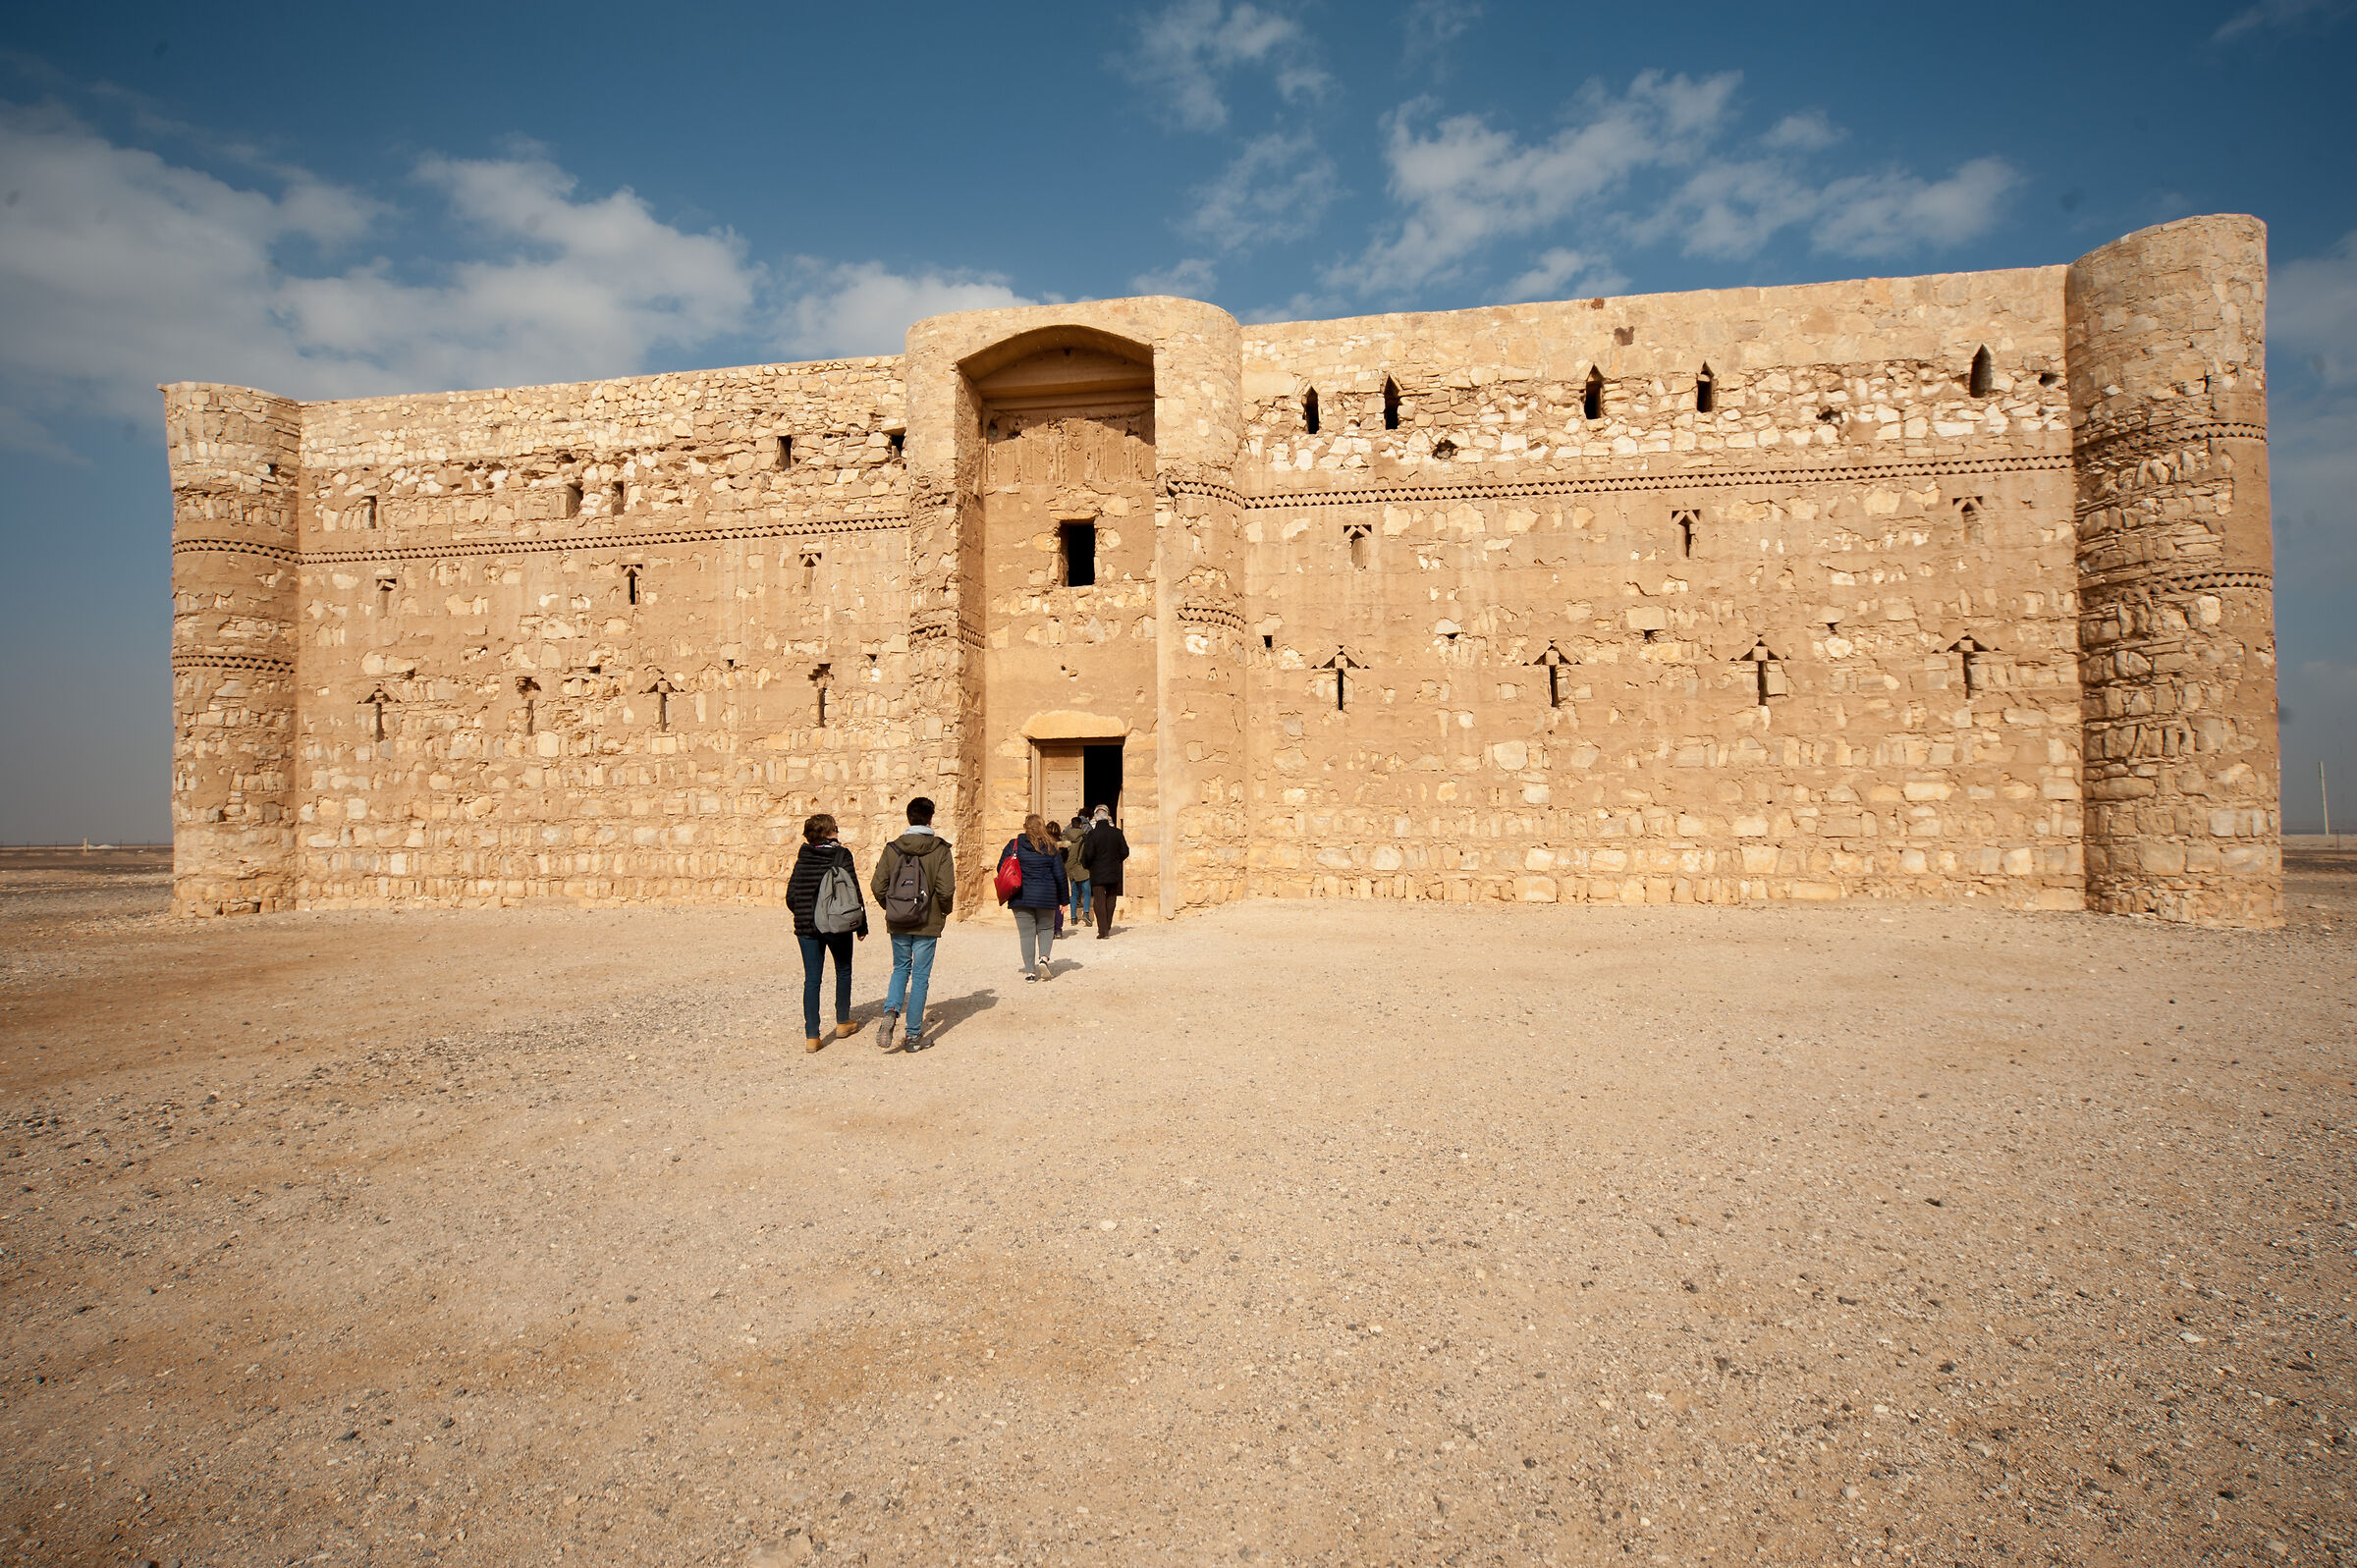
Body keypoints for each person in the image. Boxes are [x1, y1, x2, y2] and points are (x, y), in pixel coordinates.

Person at [872, 796, 956, 1053]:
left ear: (908, 817)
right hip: (927, 922)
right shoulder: (940, 849)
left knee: (900, 969)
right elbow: (946, 889)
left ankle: (892, 1009)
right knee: (920, 977)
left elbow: (878, 885)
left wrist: (894, 907)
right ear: (931, 818)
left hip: (899, 921)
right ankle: (913, 1036)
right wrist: (943, 912)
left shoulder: (893, 848)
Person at [785, 812, 867, 1052]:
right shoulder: (841, 854)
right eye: (835, 828)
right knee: (843, 970)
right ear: (828, 832)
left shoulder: (803, 857)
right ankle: (842, 1022)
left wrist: (803, 915)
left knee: (812, 979)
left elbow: (791, 895)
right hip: (836, 924)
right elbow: (853, 892)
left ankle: (812, 1036)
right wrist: (861, 925)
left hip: (805, 927)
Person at [1001, 812, 1069, 982]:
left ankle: (1030, 972)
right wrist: (1064, 900)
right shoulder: (1050, 846)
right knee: (1046, 928)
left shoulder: (1014, 844)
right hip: (1046, 896)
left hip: (1020, 896)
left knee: (1026, 934)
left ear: (1026, 826)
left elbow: (1001, 867)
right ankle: (1043, 959)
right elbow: (1060, 875)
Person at [1078, 804, 1130, 939]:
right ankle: (1107, 925)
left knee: (1099, 901)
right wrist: (1116, 861)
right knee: (1111, 899)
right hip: (1113, 871)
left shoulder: (1092, 834)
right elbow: (1125, 851)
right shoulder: (1117, 833)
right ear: (1107, 817)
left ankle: (1103, 931)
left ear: (1095, 817)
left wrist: (1088, 865)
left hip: (1097, 872)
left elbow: (1088, 854)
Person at [1064, 812, 1092, 930]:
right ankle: (1086, 913)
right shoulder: (1085, 837)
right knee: (1086, 892)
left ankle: (1073, 918)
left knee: (1074, 893)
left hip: (1070, 869)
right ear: (1081, 826)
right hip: (1083, 868)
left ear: (1071, 825)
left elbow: (1062, 853)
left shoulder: (1065, 838)